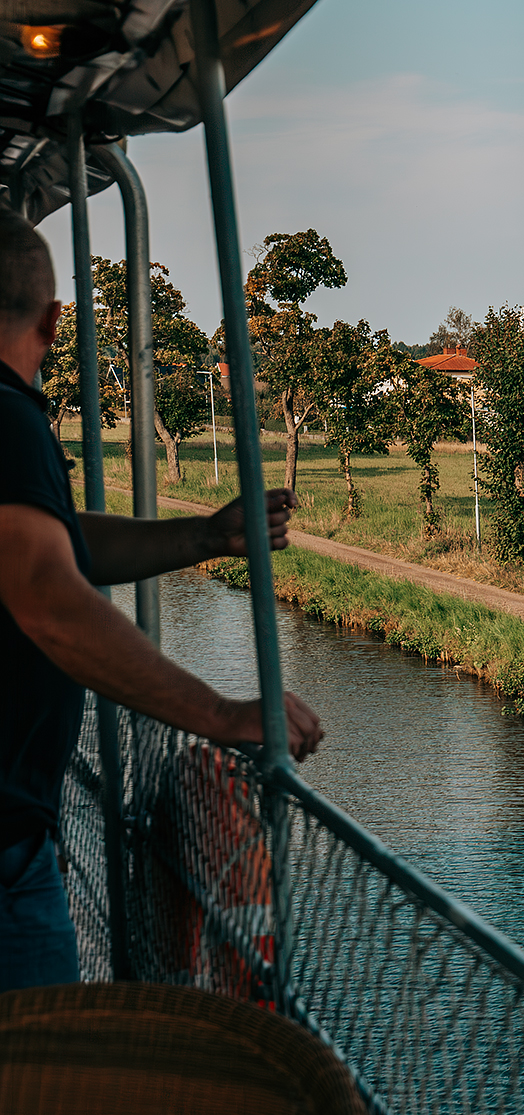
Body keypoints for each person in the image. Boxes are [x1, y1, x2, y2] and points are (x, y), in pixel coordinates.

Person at [0, 208, 323, 992]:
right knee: (42, 1099)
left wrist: (206, 535)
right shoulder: (4, 420)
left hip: (15, 831)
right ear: (51, 322)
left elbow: (57, 542)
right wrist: (223, 715)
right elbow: (46, 592)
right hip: (2, 856)